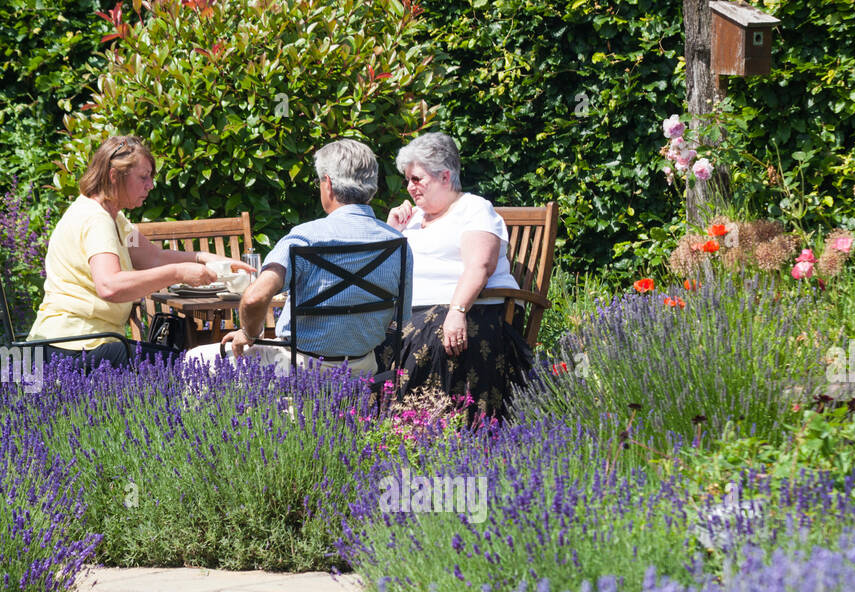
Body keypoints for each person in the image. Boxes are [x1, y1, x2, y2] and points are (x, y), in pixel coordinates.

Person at [186, 139, 411, 379]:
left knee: (194, 360)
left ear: (329, 184)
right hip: (363, 371)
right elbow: (399, 320)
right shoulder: (398, 243)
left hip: (300, 370)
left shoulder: (304, 238)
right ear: (373, 187)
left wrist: (248, 334)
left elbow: (254, 298)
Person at [27, 134, 253, 370]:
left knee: (182, 363)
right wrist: (178, 273)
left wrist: (204, 258)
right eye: (144, 177)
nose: (151, 185)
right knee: (190, 367)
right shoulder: (96, 220)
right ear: (114, 176)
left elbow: (153, 257)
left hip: (80, 343)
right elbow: (110, 286)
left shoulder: (116, 219)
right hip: (74, 347)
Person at [385, 132, 532, 420]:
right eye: (407, 180)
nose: (410, 187)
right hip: (412, 314)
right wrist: (392, 232)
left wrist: (457, 310)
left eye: (417, 179)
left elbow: (480, 266)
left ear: (444, 176)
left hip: (472, 312)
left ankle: (423, 429)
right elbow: (384, 272)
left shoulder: (474, 209)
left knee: (427, 333)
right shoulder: (411, 219)